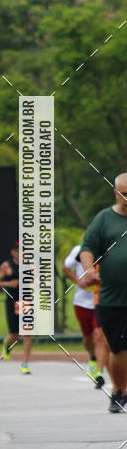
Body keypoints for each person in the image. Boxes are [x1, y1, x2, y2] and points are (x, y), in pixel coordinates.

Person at [79, 173, 127, 413]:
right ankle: (119, 390)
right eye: (124, 193)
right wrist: (89, 270)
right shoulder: (104, 219)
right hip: (112, 298)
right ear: (116, 193)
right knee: (118, 348)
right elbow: (88, 248)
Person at [63, 243, 104, 388]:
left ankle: (99, 372)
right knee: (88, 338)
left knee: (99, 335)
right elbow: (65, 268)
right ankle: (92, 358)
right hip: (81, 302)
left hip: (100, 300)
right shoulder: (78, 250)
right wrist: (78, 280)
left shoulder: (106, 249)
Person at [0, 243, 32, 375]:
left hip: (26, 300)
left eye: (24, 250)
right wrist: (8, 283)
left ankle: (25, 363)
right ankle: (7, 344)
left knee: (27, 333)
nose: (21, 252)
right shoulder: (7, 266)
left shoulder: (29, 264)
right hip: (12, 300)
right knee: (15, 335)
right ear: (13, 252)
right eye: (18, 250)